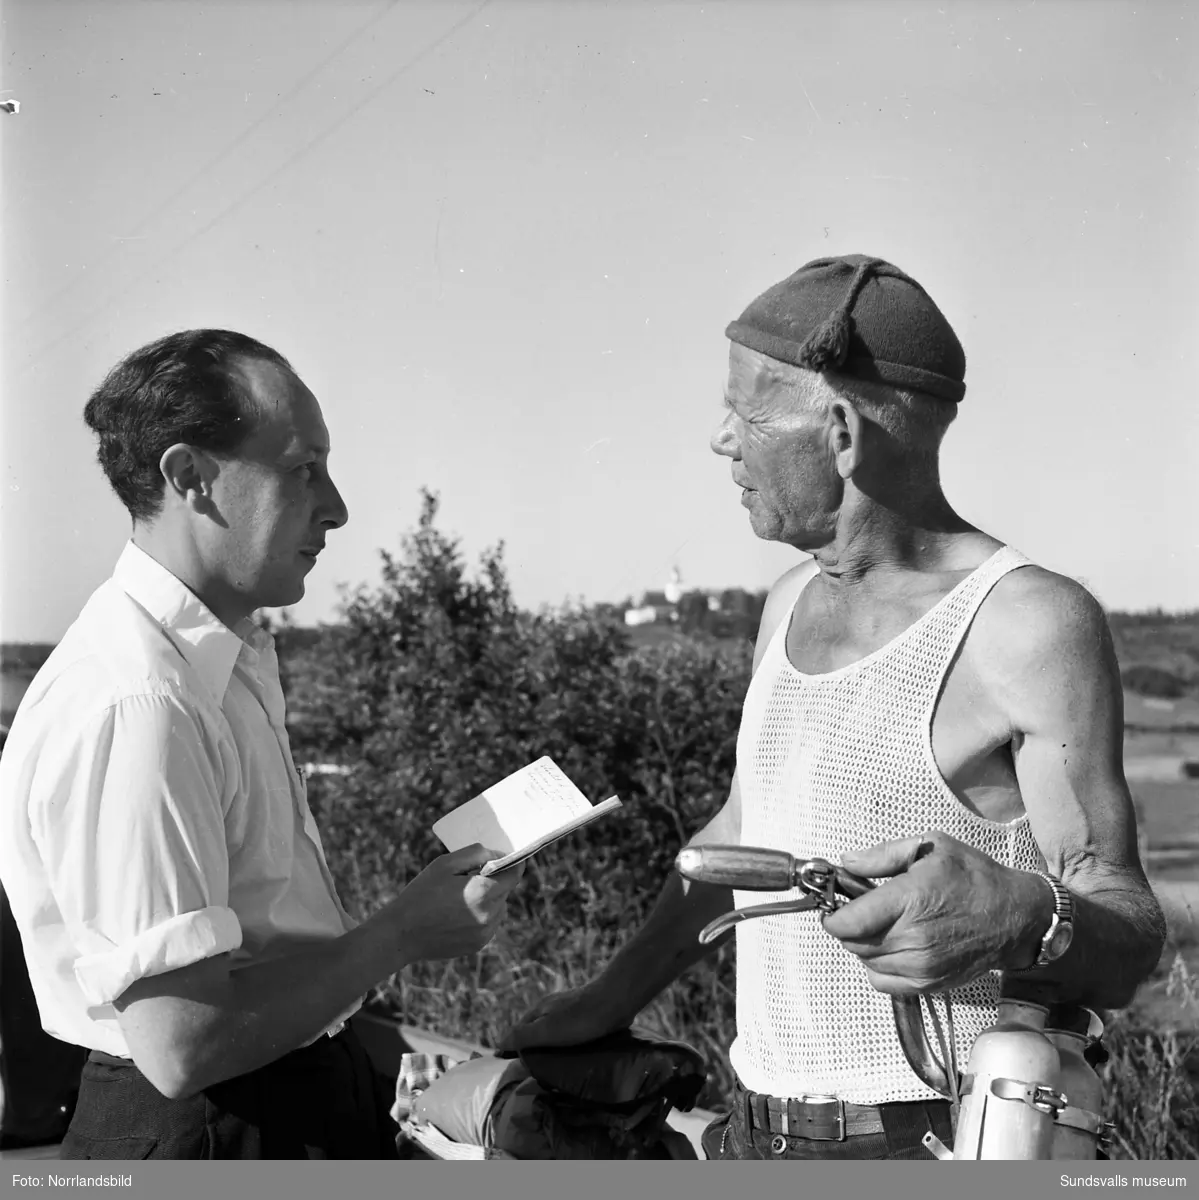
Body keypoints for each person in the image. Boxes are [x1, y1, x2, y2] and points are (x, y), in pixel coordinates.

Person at [501, 255, 1167, 1160]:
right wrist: (603, 1004)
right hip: (755, 1131)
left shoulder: (1025, 623)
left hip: (935, 1141)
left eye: (744, 412)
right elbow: (743, 838)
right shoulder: (785, 603)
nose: (719, 439)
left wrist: (1019, 912)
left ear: (842, 434)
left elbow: (1125, 935)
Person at [0, 330, 521, 1159]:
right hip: (212, 1134)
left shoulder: (212, 662)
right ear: (189, 477)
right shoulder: (143, 702)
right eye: (301, 468)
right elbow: (182, 1045)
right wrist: (400, 934)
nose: (337, 506)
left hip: (273, 1109)